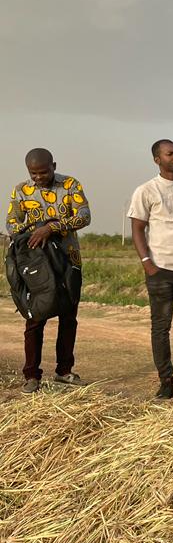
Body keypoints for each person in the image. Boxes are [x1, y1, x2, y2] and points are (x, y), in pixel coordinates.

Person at [8, 149, 91, 393]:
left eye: (43, 172)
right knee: (35, 318)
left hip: (67, 261)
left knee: (68, 318)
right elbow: (11, 222)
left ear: (53, 165)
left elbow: (84, 216)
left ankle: (64, 371)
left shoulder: (70, 185)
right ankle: (31, 375)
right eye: (33, 174)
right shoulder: (21, 190)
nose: (38, 178)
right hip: (36, 265)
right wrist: (35, 228)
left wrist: (52, 227)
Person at [128, 139, 173, 399]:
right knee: (161, 328)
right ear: (157, 160)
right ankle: (166, 379)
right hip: (160, 269)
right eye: (170, 153)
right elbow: (138, 229)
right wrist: (147, 263)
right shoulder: (146, 190)